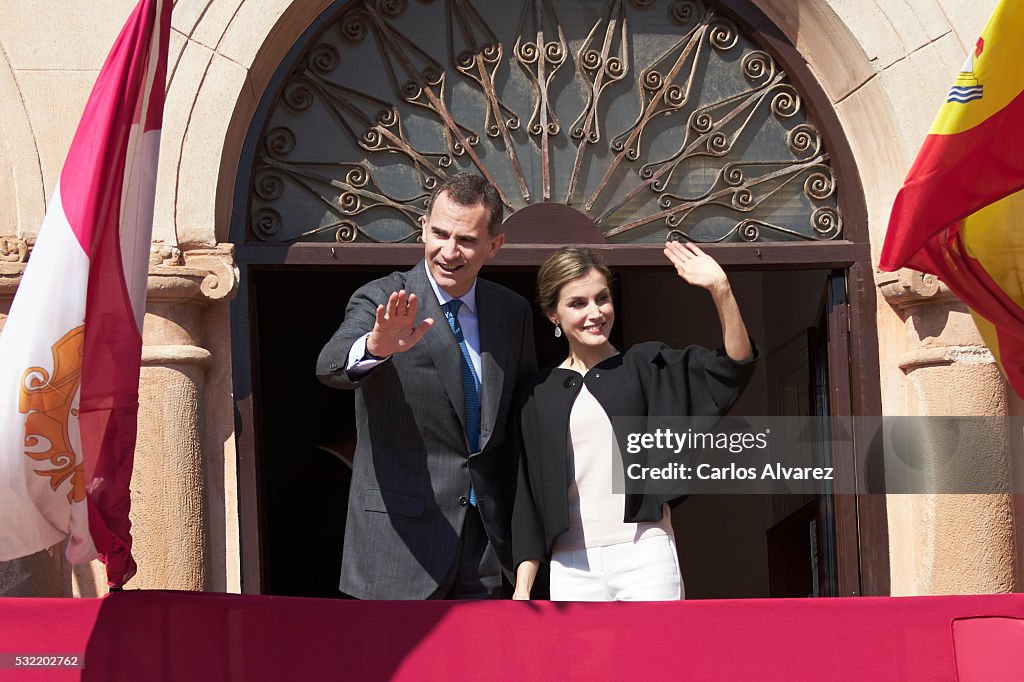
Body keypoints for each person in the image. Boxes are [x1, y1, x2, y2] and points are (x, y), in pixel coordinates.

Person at [317, 173, 537, 599]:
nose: (449, 252)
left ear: (495, 245)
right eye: (440, 233)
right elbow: (330, 365)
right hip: (399, 549)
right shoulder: (384, 297)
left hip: (487, 551)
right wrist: (376, 346)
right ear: (423, 227)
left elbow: (520, 418)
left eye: (467, 240)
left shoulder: (512, 312)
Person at [512, 242, 758, 601]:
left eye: (602, 298)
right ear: (553, 314)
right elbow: (527, 497)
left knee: (659, 659)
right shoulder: (537, 393)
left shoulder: (647, 365)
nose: (595, 312)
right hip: (571, 567)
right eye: (577, 303)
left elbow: (733, 367)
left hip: (645, 556)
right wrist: (523, 587)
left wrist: (721, 290)